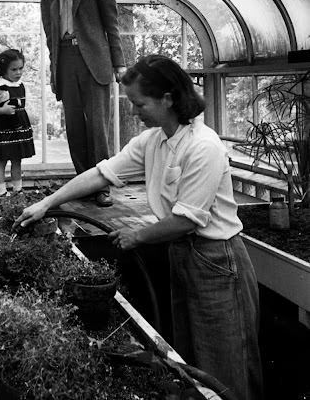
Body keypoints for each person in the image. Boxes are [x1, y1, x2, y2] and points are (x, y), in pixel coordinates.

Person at [14, 54, 263, 400]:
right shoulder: (153, 141)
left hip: (217, 261)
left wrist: (137, 235)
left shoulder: (203, 147)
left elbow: (185, 220)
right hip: (183, 254)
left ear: (168, 98)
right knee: (192, 358)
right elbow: (101, 174)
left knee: (226, 361)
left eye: (139, 103)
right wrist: (47, 203)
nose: (134, 111)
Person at [40, 0, 126, 207]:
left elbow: (112, 27)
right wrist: (55, 73)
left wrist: (119, 64)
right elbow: (50, 41)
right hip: (66, 63)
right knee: (75, 128)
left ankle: (102, 186)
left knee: (98, 126)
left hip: (94, 62)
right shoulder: (47, 2)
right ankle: (83, 184)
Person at [0, 49, 35, 197]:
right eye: (14, 69)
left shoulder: (22, 85)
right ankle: (1, 191)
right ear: (3, 70)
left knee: (17, 159)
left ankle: (17, 190)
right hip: (3, 127)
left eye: (20, 68)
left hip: (19, 126)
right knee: (1, 160)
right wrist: (2, 110)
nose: (18, 72)